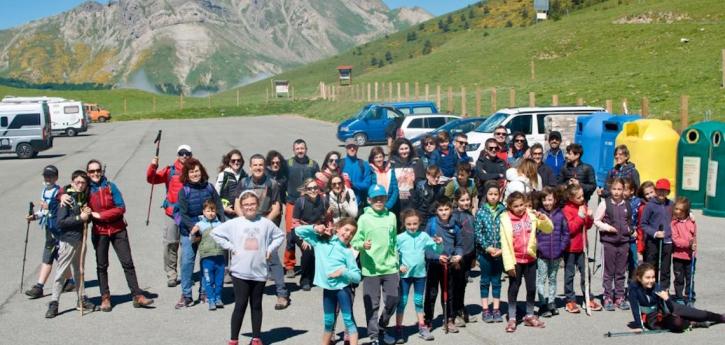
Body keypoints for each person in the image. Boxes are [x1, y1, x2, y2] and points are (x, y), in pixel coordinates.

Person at [212, 191, 285, 345]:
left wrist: (270, 249)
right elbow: (216, 233)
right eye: (246, 205)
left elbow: (280, 235)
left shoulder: (265, 223)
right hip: (240, 272)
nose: (249, 207)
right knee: (240, 304)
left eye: (252, 204)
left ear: (257, 205)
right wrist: (231, 246)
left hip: (259, 272)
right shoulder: (235, 223)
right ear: (241, 207)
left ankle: (256, 338)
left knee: (256, 304)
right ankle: (234, 339)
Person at [86, 159, 154, 311]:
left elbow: (121, 207)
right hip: (99, 232)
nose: (95, 173)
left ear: (102, 171)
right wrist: (62, 196)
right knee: (102, 266)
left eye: (98, 170)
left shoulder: (111, 186)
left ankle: (137, 295)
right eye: (92, 171)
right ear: (87, 173)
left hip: (118, 229)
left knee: (127, 263)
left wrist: (100, 215)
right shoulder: (86, 189)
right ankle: (105, 297)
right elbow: (68, 190)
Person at [296, 218, 362, 345]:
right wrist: (315, 228)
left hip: (343, 289)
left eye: (352, 233)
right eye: (346, 229)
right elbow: (298, 231)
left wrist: (343, 272)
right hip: (328, 290)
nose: (348, 234)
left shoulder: (347, 252)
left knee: (348, 320)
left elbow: (357, 276)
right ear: (337, 228)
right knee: (328, 322)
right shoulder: (321, 242)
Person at [238, 154, 289, 309]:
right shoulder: (244, 183)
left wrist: (264, 222)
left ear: (264, 166)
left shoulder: (272, 183)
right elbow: (237, 204)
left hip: (266, 222)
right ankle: (244, 292)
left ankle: (282, 294)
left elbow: (276, 206)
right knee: (246, 257)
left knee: (272, 257)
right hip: (247, 224)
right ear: (250, 167)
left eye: (261, 165)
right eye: (255, 165)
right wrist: (245, 220)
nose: (258, 167)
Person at [351, 185, 400, 345]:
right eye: (375, 198)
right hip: (371, 268)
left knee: (393, 300)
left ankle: (382, 326)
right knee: (372, 304)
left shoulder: (391, 216)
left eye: (382, 198)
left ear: (386, 199)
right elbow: (355, 240)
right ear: (369, 200)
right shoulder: (364, 218)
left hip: (390, 267)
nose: (379, 201)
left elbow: (394, 240)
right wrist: (362, 245)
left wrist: (397, 260)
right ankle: (373, 336)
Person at [175, 158, 225, 309]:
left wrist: (221, 224)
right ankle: (186, 295)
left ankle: (204, 292)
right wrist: (193, 227)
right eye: (191, 172)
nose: (195, 174)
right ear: (187, 174)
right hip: (190, 232)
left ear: (201, 171)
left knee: (206, 262)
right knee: (187, 262)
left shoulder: (209, 188)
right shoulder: (184, 191)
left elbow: (219, 206)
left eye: (197, 171)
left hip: (208, 231)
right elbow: (182, 213)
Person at [45, 170, 96, 318]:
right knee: (61, 272)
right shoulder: (66, 198)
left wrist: (87, 214)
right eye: (77, 182)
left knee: (79, 271)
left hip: (81, 240)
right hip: (68, 240)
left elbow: (87, 218)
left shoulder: (84, 196)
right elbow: (61, 222)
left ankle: (81, 299)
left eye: (83, 182)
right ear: (72, 182)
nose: (80, 185)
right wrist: (80, 217)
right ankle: (54, 303)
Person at [500, 192, 553, 332]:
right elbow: (505, 245)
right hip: (515, 260)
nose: (519, 208)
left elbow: (549, 229)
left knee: (531, 288)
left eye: (521, 205)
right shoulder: (505, 220)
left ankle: (529, 315)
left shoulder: (531, 215)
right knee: (514, 288)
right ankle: (512, 317)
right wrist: (508, 265)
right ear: (510, 207)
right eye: (515, 206)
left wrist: (544, 218)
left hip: (530, 258)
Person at [628, 263, 724, 333]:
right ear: (639, 278)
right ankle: (693, 323)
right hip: (653, 318)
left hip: (668, 308)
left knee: (700, 314)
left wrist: (667, 299)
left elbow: (670, 309)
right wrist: (640, 326)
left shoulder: (656, 287)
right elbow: (635, 309)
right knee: (678, 323)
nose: (651, 280)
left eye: (653, 277)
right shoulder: (633, 289)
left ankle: (720, 317)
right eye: (647, 278)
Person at [146, 144, 192, 287]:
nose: (184, 156)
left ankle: (186, 273)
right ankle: (171, 274)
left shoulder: (196, 170)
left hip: (189, 214)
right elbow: (152, 179)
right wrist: (153, 166)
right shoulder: (170, 170)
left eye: (187, 153)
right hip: (172, 213)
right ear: (177, 154)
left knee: (188, 245)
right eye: (181, 153)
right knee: (171, 243)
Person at [25, 165, 73, 299]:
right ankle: (70, 282)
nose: (48, 178)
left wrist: (50, 206)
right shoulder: (44, 191)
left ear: (56, 178)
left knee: (48, 256)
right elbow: (44, 211)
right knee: (59, 256)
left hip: (57, 230)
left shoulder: (59, 192)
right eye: (46, 176)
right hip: (49, 228)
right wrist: (35, 216)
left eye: (50, 176)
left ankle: (39, 287)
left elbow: (59, 211)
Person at [395, 209, 442, 342]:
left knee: (418, 301)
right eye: (409, 224)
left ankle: (422, 327)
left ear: (419, 223)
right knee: (402, 302)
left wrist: (439, 243)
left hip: (420, 275)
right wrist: (398, 266)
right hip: (405, 276)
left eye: (415, 224)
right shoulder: (399, 238)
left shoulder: (424, 236)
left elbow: (437, 250)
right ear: (404, 223)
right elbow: (392, 255)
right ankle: (398, 328)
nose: (412, 227)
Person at [423, 197, 463, 333]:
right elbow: (426, 246)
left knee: (449, 293)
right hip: (435, 264)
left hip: (450, 264)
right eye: (441, 210)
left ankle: (449, 319)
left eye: (446, 209)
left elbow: (459, 245)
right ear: (436, 211)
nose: (444, 212)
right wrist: (436, 256)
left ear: (451, 210)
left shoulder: (455, 225)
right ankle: (428, 320)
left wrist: (458, 255)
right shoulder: (431, 224)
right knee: (431, 293)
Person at [561, 184, 602, 313]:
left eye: (583, 196)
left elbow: (587, 226)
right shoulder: (566, 209)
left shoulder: (583, 205)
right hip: (570, 247)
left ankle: (587, 297)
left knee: (586, 273)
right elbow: (570, 229)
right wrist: (579, 217)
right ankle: (570, 300)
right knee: (570, 274)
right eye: (579, 197)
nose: (582, 198)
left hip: (583, 246)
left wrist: (589, 218)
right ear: (571, 197)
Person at [593, 178, 633, 311]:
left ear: (624, 190)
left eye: (619, 189)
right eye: (614, 189)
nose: (616, 192)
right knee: (609, 271)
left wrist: (630, 230)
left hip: (624, 242)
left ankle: (620, 296)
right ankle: (608, 296)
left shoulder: (627, 204)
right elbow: (596, 220)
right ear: (610, 190)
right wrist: (607, 227)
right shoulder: (605, 204)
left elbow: (629, 222)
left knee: (621, 271)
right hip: (609, 242)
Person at [284, 139, 319, 278]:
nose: (300, 150)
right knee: (290, 235)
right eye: (297, 148)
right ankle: (290, 265)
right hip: (292, 203)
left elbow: (319, 184)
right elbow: (281, 183)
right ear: (293, 150)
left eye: (302, 148)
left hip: (308, 204)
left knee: (310, 234)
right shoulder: (288, 164)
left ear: (306, 149)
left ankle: (311, 262)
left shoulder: (313, 164)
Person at [291, 178, 331, 291]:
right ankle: (305, 280)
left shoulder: (323, 200)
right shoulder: (300, 201)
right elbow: (295, 222)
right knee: (307, 250)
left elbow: (326, 218)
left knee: (323, 249)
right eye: (310, 188)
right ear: (305, 190)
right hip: (301, 231)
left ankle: (317, 276)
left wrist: (328, 229)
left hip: (317, 229)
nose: (313, 190)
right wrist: (303, 239)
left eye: (315, 188)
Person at [474, 181, 506, 323]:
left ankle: (497, 309)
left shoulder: (504, 211)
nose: (493, 197)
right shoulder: (481, 212)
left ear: (499, 195)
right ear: (486, 195)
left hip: (500, 253)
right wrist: (487, 247)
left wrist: (501, 249)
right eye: (490, 194)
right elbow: (477, 232)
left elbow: (507, 232)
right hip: (485, 254)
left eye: (496, 194)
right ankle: (486, 309)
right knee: (485, 281)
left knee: (497, 281)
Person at [534, 187, 569, 318]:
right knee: (541, 279)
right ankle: (543, 304)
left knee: (553, 279)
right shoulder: (538, 215)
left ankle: (552, 302)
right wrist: (538, 246)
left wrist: (561, 247)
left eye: (550, 199)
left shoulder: (560, 215)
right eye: (544, 200)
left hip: (556, 254)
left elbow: (566, 233)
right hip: (542, 255)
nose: (547, 202)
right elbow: (534, 233)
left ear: (555, 200)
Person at [190, 199, 225, 311]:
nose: (211, 213)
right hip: (206, 257)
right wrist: (192, 232)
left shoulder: (220, 224)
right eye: (208, 211)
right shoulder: (199, 225)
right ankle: (211, 300)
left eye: (213, 211)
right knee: (208, 280)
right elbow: (191, 240)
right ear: (203, 212)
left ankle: (218, 297)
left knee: (219, 280)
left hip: (219, 256)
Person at [451, 189, 478, 326]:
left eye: (468, 199)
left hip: (469, 254)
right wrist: (455, 256)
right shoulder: (455, 216)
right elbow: (453, 237)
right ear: (456, 201)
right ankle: (454, 313)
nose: (466, 202)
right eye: (462, 200)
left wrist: (474, 256)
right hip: (459, 256)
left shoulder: (470, 214)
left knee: (463, 284)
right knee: (456, 285)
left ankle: (461, 309)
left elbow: (472, 235)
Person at [641, 178, 673, 290]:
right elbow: (643, 224)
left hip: (667, 241)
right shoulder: (650, 205)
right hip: (653, 242)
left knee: (665, 268)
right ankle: (649, 290)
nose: (661, 193)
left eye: (664, 191)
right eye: (659, 190)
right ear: (656, 191)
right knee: (651, 267)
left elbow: (682, 212)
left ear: (668, 192)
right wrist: (655, 233)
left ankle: (664, 291)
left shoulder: (671, 204)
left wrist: (690, 214)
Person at [671, 197, 696, 304]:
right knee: (679, 278)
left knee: (690, 277)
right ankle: (679, 296)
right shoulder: (673, 223)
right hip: (678, 256)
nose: (676, 211)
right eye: (675, 208)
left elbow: (694, 236)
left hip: (691, 256)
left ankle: (689, 295)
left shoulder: (692, 222)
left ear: (685, 211)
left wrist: (693, 246)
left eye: (679, 209)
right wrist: (688, 244)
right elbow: (676, 240)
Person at [390, 138, 419, 213]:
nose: (404, 151)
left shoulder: (416, 162)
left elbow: (420, 181)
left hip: (412, 198)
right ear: (397, 150)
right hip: (397, 199)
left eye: (406, 148)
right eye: (401, 149)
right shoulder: (392, 163)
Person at [215, 149, 247, 217]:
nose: (236, 162)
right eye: (233, 161)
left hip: (241, 213)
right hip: (226, 213)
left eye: (238, 160)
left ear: (241, 162)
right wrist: (224, 208)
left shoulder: (245, 176)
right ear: (229, 162)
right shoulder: (223, 175)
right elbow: (215, 195)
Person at [368, 146, 399, 211]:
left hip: (389, 206)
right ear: (372, 159)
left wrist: (388, 205)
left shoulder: (390, 170)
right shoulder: (371, 171)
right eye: (376, 157)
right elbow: (369, 191)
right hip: (375, 206)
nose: (379, 159)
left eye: (380, 156)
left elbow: (395, 190)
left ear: (383, 157)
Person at [624, 178, 641, 279]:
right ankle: (620, 288)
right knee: (621, 264)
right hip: (622, 237)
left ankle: (632, 285)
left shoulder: (638, 202)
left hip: (633, 238)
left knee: (634, 262)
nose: (622, 192)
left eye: (625, 189)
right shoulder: (618, 201)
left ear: (632, 191)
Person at [265, 150, 288, 225]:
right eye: (273, 163)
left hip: (277, 212)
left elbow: (284, 194)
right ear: (269, 163)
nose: (275, 165)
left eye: (277, 163)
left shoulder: (283, 178)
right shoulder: (264, 175)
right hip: (264, 211)